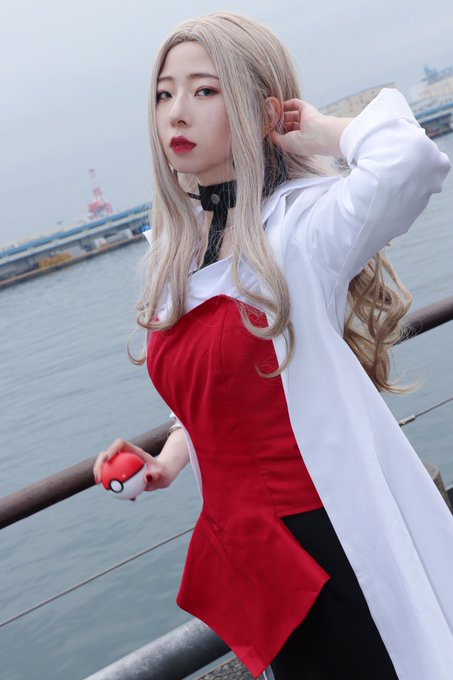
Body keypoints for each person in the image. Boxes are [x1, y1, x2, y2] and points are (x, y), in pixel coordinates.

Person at [93, 12, 453, 680]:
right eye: (164, 94)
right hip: (253, 552)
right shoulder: (176, 252)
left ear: (259, 111)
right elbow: (227, 391)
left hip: (327, 542)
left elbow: (410, 161)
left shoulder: (301, 233)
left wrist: (314, 129)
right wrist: (168, 460)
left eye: (204, 90)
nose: (177, 111)